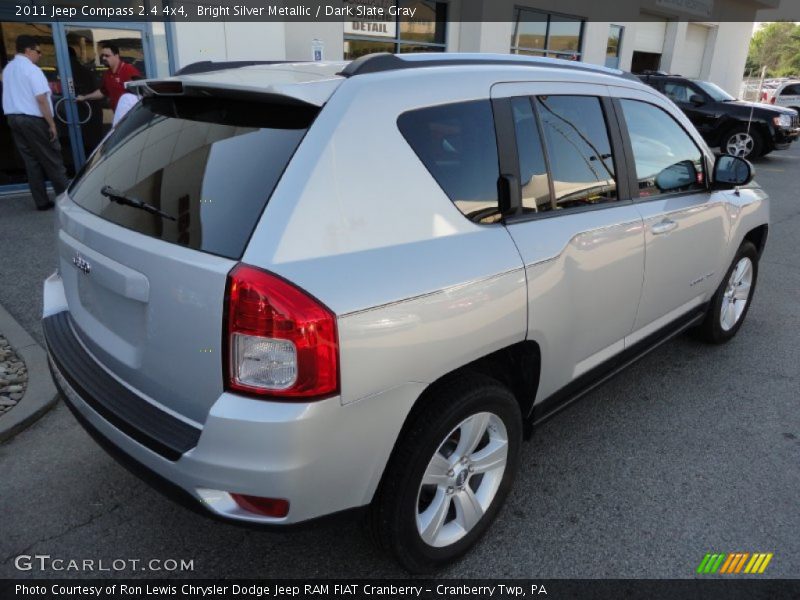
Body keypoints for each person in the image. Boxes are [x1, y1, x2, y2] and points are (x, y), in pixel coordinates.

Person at [1, 35, 69, 210]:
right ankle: (68, 203)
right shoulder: (31, 70)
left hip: (14, 119)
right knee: (52, 159)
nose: (40, 55)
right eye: (38, 51)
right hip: (33, 120)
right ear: (28, 50)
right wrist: (51, 123)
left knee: (31, 162)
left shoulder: (8, 69)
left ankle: (41, 202)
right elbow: (41, 98)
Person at [75, 42, 141, 111]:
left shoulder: (129, 70)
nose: (103, 58)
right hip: (118, 114)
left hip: (130, 115)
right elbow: (103, 92)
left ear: (116, 56)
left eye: (107, 56)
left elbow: (139, 93)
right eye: (103, 55)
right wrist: (85, 97)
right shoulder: (107, 73)